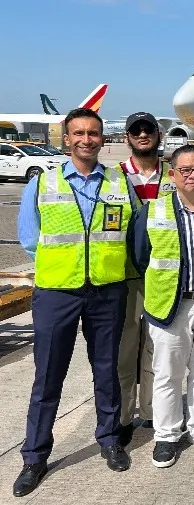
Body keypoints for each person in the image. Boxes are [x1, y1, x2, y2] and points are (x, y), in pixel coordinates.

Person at [14, 108, 137, 497]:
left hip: (106, 290)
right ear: (66, 138)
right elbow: (30, 238)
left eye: (94, 133)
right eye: (79, 133)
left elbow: (131, 231)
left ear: (103, 139)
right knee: (48, 376)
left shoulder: (120, 183)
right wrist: (66, 265)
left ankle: (109, 439)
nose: (87, 139)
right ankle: (34, 456)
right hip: (57, 292)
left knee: (107, 370)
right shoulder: (43, 182)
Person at [130, 144, 194, 468]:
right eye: (186, 170)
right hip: (169, 306)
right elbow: (140, 257)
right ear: (173, 174)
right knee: (167, 374)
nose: (193, 175)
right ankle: (167, 435)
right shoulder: (153, 211)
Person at [116, 112, 172, 436]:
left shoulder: (173, 175)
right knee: (126, 349)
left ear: (158, 135)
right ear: (127, 137)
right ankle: (124, 416)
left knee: (155, 347)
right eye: (135, 131)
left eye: (147, 130)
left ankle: (152, 411)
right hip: (125, 277)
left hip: (162, 275)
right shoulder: (114, 177)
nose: (141, 135)